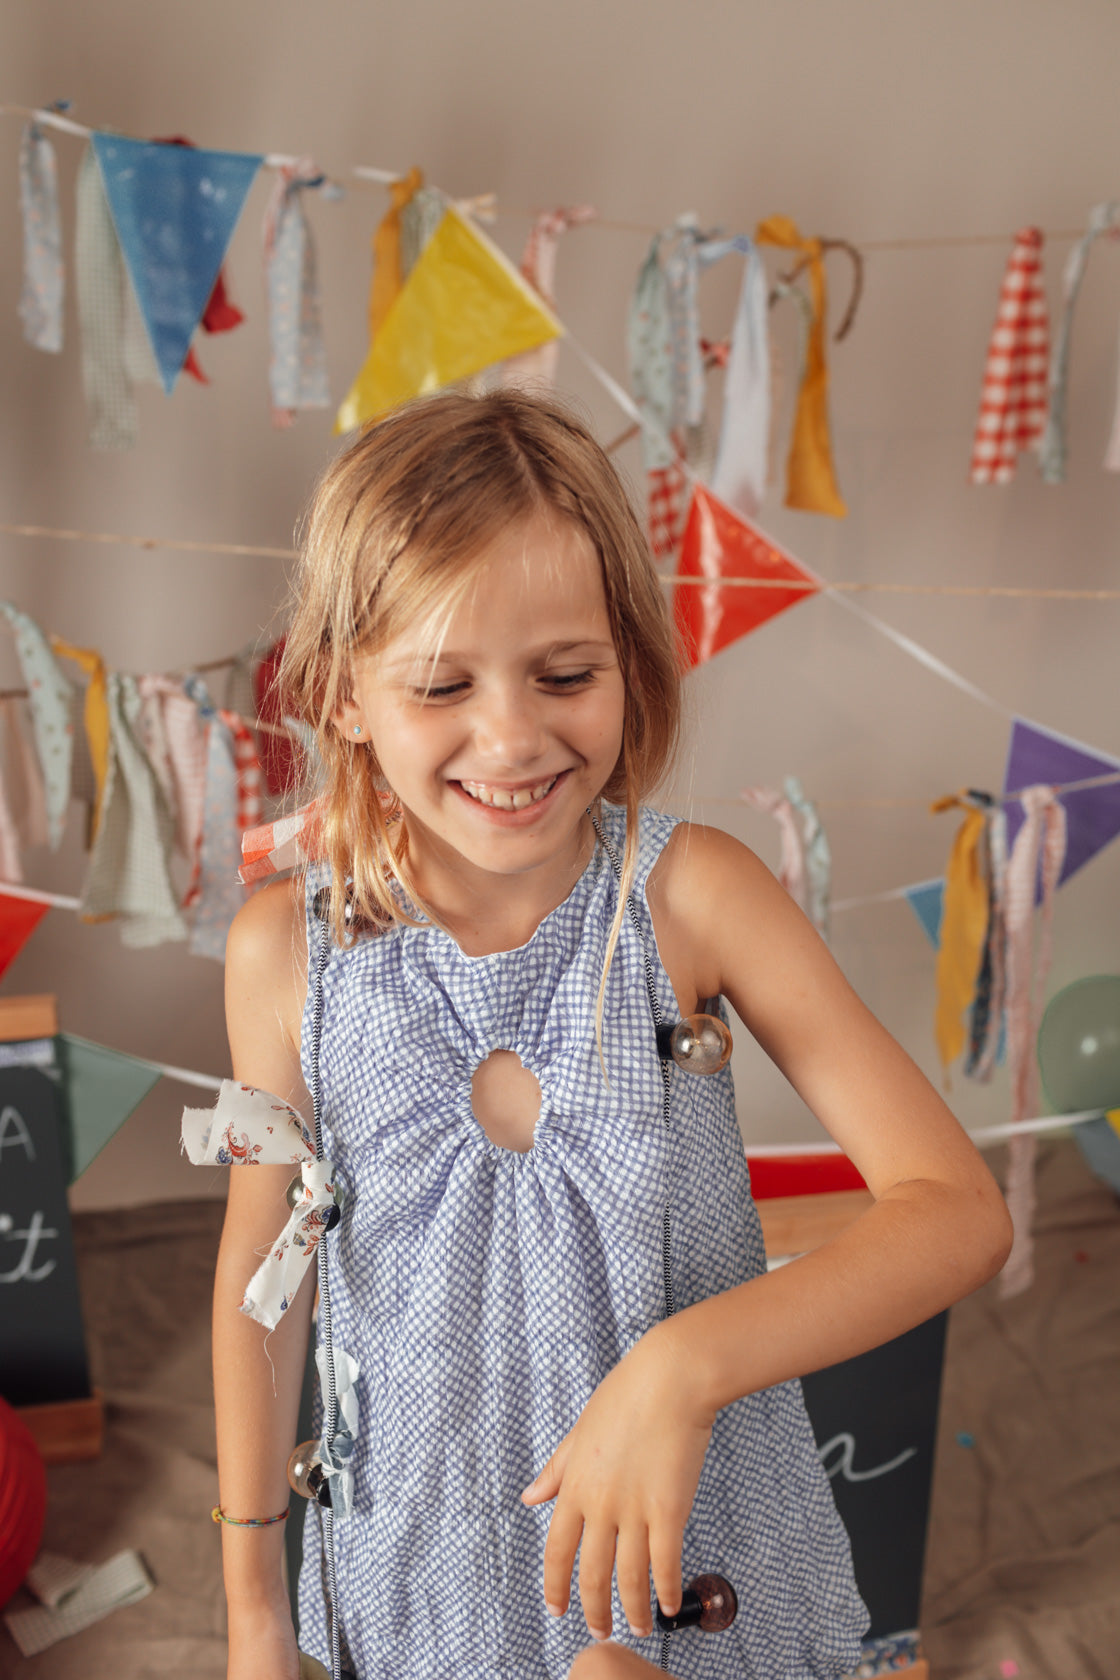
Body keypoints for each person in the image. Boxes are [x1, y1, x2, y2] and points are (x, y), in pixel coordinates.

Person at [208, 388, 1012, 1680]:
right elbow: (263, 1287)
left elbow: (957, 1207)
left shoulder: (695, 899)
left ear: (634, 664)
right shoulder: (284, 957)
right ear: (339, 694)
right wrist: (254, 1614)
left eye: (567, 674)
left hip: (693, 1555)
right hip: (425, 1553)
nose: (514, 735)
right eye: (440, 685)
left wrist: (683, 1367)